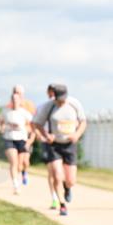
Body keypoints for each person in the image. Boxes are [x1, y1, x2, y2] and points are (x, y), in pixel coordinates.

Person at [32, 84, 86, 216]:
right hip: (54, 144)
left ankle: (67, 188)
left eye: (64, 98)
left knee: (71, 180)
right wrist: (46, 135)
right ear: (54, 97)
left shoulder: (74, 104)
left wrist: (77, 135)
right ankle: (62, 204)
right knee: (56, 174)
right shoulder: (48, 106)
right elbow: (37, 123)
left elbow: (83, 122)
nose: (62, 101)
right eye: (59, 99)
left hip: (69, 144)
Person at [0, 89, 35, 195]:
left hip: (22, 139)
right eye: (13, 99)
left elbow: (33, 127)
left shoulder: (25, 113)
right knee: (13, 162)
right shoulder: (5, 111)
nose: (15, 101)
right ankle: (15, 185)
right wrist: (3, 128)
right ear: (11, 100)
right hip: (9, 138)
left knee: (21, 164)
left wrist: (30, 140)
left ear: (20, 100)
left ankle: (23, 173)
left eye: (17, 99)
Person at [11, 85, 36, 186]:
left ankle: (24, 173)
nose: (17, 94)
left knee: (25, 161)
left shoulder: (29, 105)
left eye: (19, 92)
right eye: (15, 92)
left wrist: (32, 137)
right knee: (16, 161)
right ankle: (16, 180)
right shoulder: (10, 105)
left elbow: (34, 122)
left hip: (27, 135)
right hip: (15, 136)